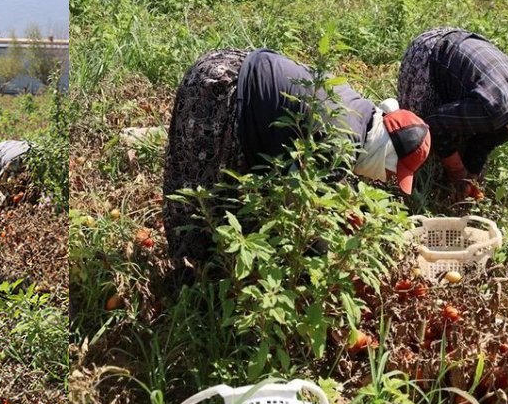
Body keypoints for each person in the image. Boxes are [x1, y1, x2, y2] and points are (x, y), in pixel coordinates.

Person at [162, 48, 431, 267]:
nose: (385, 179)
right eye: (391, 172)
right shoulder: (342, 144)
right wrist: (330, 264)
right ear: (386, 152)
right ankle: (194, 280)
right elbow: (301, 215)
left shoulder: (361, 115)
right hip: (220, 90)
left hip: (229, 62)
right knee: (203, 194)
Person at [397, 27, 508, 197]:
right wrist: (456, 170)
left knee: (456, 149)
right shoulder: (494, 109)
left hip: (455, 50)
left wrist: (470, 178)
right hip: (429, 52)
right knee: (418, 143)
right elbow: (434, 122)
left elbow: (483, 143)